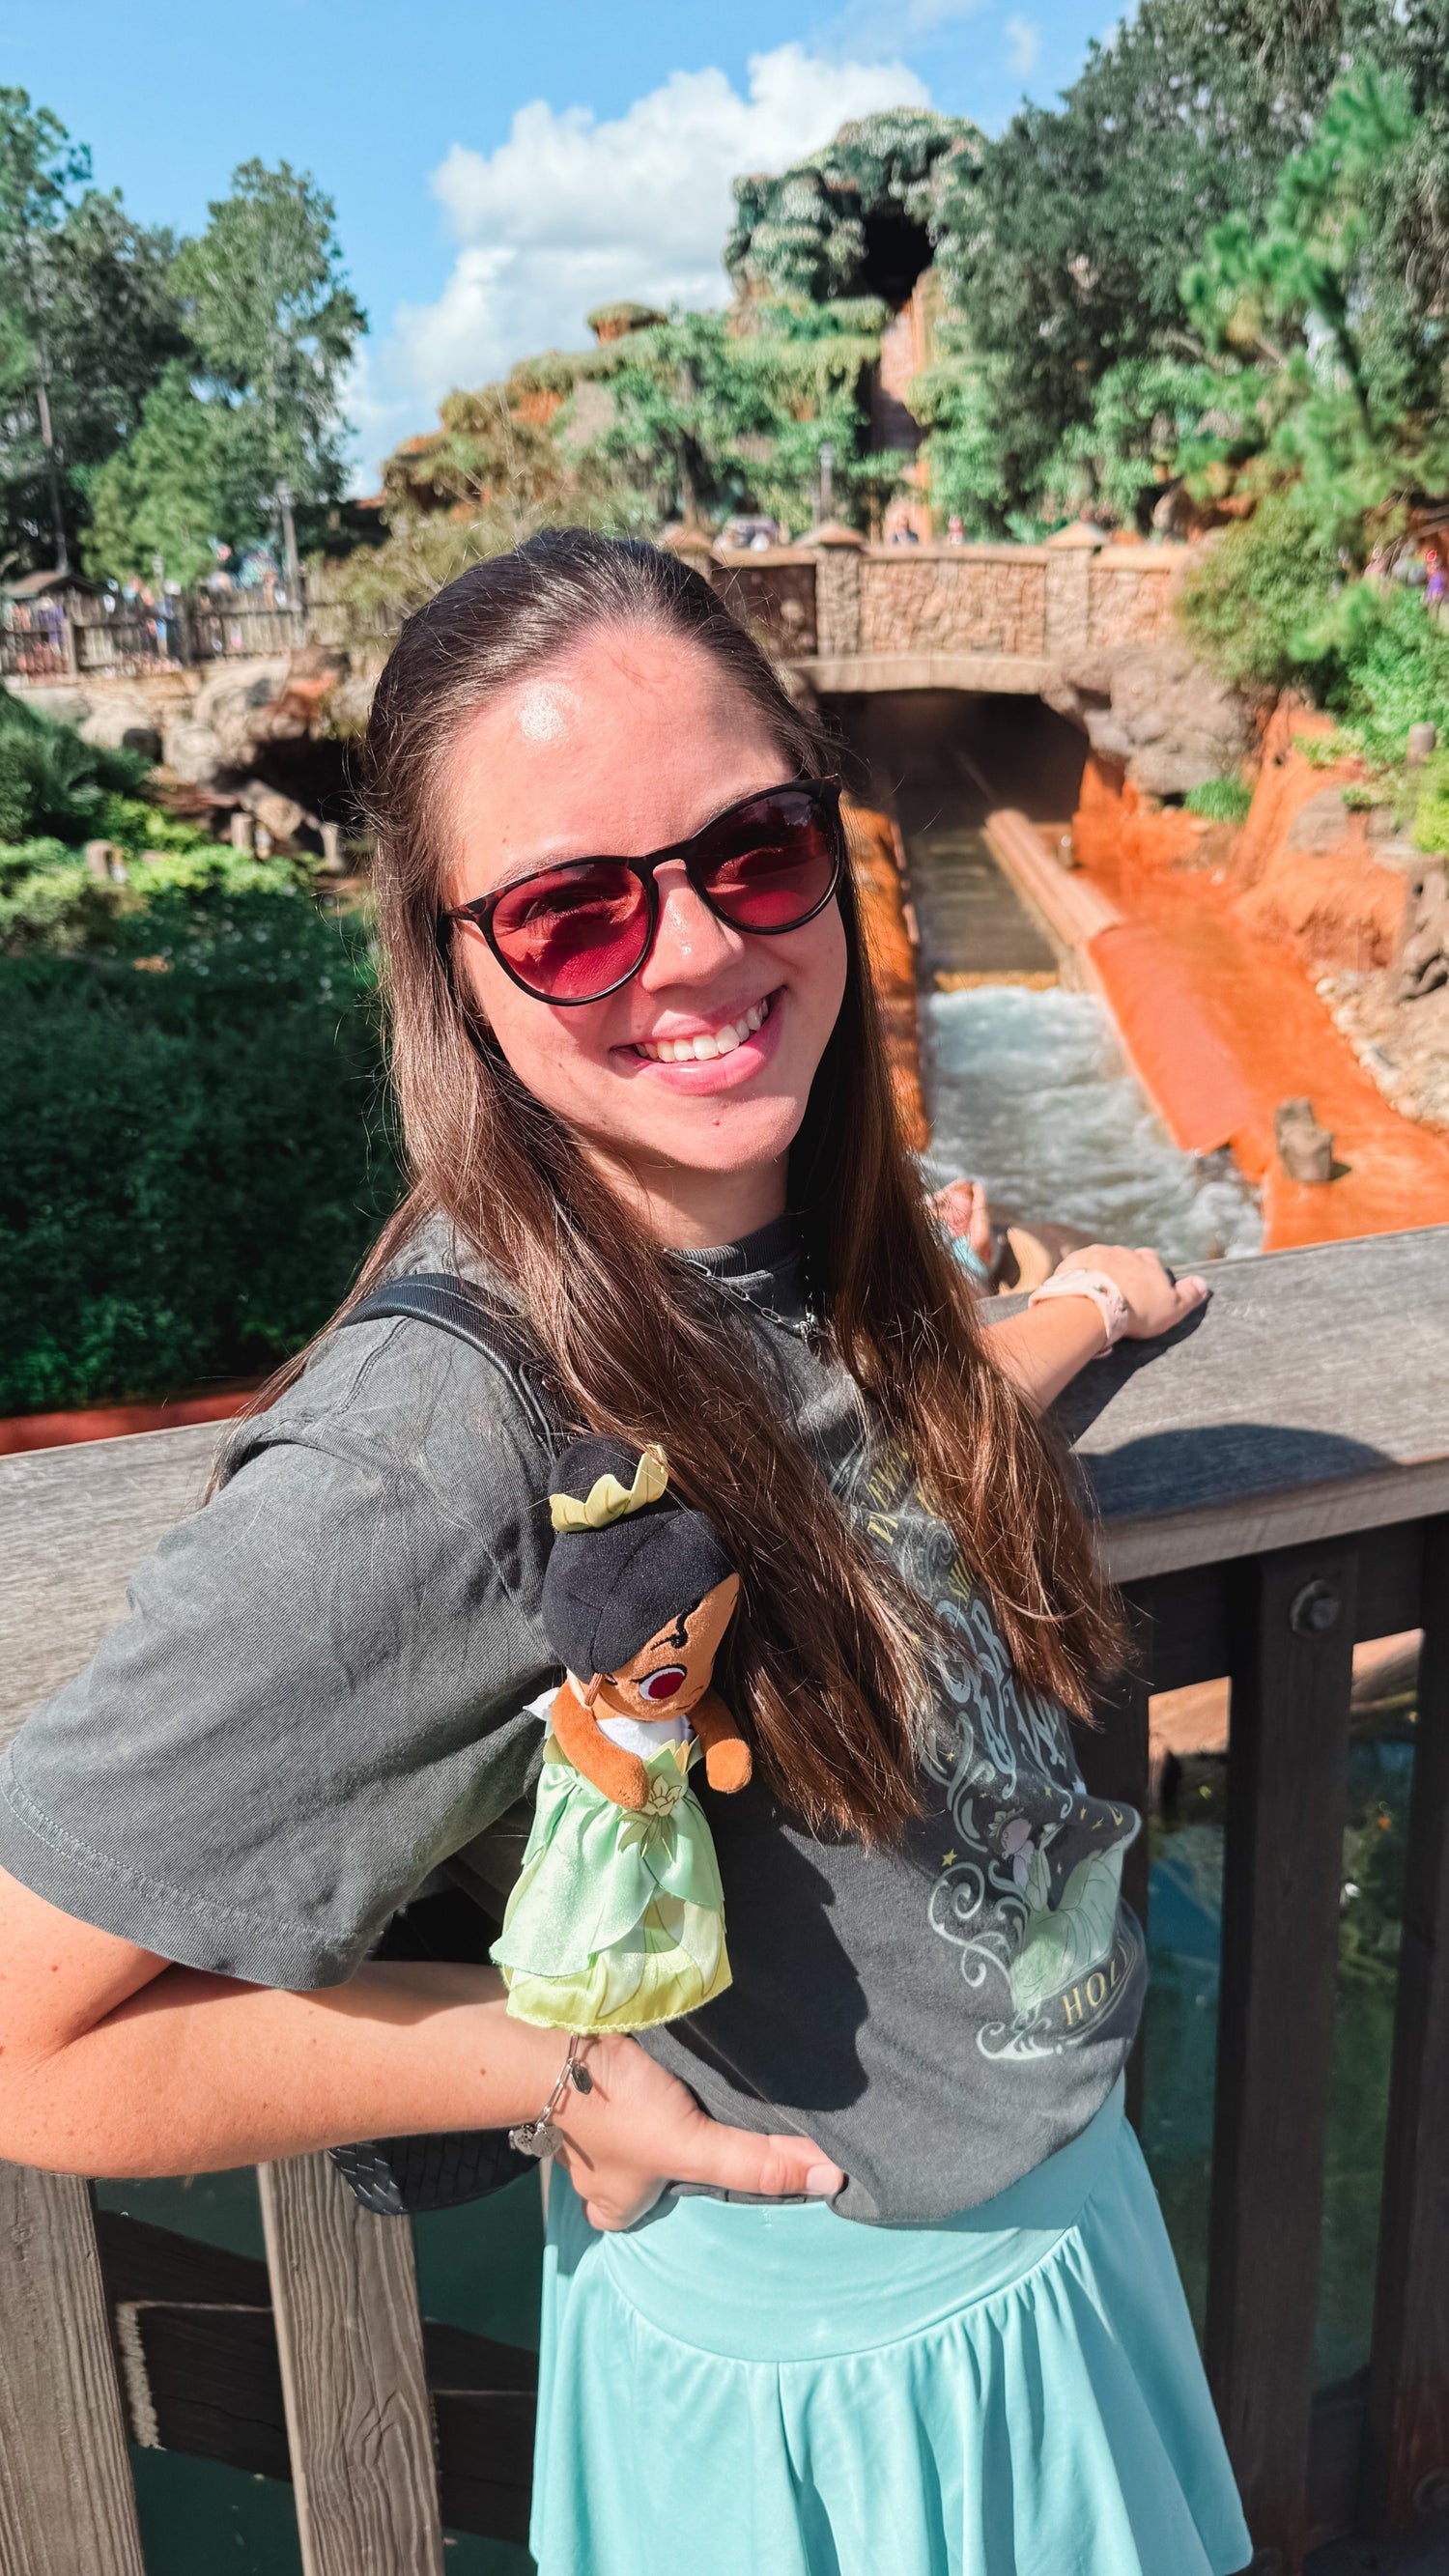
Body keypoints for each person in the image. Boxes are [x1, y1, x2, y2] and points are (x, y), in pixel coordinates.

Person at [0, 532, 1248, 2576]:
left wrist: (1088, 1314)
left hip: (1058, 2244)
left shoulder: (810, 1225)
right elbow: (19, 2029)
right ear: (455, 967)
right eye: (575, 909)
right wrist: (547, 2058)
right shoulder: (442, 1440)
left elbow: (852, 1476)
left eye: (749, 853)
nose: (687, 952)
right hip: (826, 2386)